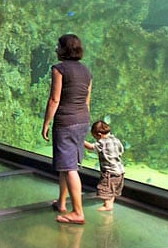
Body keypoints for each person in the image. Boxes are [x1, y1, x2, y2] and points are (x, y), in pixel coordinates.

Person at [41, 34, 92, 224]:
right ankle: (62, 203)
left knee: (70, 168)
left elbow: (55, 99)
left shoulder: (59, 69)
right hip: (82, 120)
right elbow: (87, 101)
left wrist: (46, 123)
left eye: (58, 46)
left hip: (66, 122)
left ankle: (78, 212)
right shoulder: (87, 71)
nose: (56, 49)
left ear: (64, 49)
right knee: (66, 164)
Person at [84, 120, 124, 211]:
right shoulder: (116, 140)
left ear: (99, 135)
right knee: (113, 190)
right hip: (120, 171)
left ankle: (107, 205)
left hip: (109, 172)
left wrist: (79, 140)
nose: (96, 140)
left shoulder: (102, 142)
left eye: (95, 137)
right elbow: (121, 150)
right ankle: (110, 204)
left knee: (105, 188)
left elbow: (91, 147)